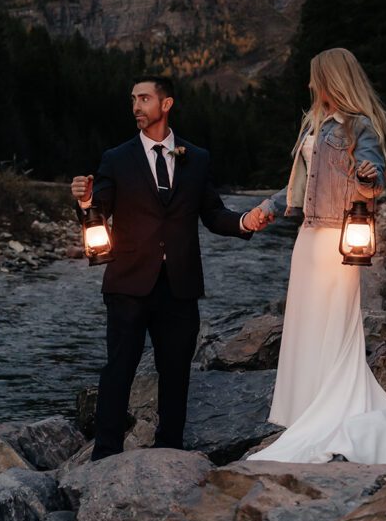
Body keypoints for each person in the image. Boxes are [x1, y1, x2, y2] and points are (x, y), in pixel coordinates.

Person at [71, 75, 270, 461]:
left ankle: (170, 451)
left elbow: (213, 214)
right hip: (128, 282)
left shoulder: (196, 157)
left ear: (166, 104)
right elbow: (101, 209)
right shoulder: (116, 157)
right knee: (119, 370)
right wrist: (85, 202)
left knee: (176, 373)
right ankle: (106, 454)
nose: (136, 106)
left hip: (179, 284)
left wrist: (246, 221)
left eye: (144, 98)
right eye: (132, 99)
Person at [247, 48, 386, 465]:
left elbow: (373, 180)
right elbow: (301, 189)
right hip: (307, 239)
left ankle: (330, 413)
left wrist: (367, 178)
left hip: (336, 241)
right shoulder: (315, 125)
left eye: (315, 78)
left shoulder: (359, 126)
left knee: (332, 324)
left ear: (332, 79)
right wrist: (267, 209)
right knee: (305, 324)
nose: (310, 85)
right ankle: (306, 412)